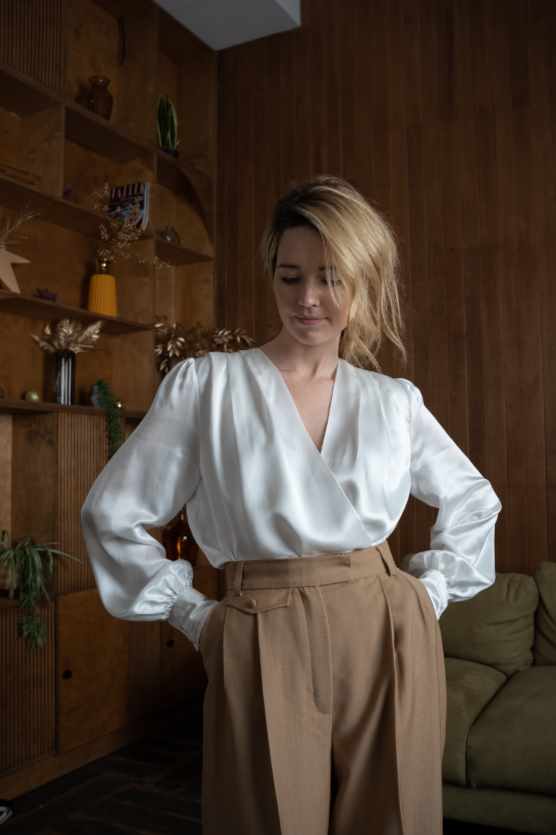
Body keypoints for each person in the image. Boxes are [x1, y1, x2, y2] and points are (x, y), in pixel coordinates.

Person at [80, 175, 502, 835]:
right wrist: (195, 616)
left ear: (362, 284)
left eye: (330, 278)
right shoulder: (209, 387)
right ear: (272, 277)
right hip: (261, 625)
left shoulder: (393, 401)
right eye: (290, 276)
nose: (308, 298)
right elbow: (111, 513)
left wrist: (430, 594)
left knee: (393, 819)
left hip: (385, 622)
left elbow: (474, 499)